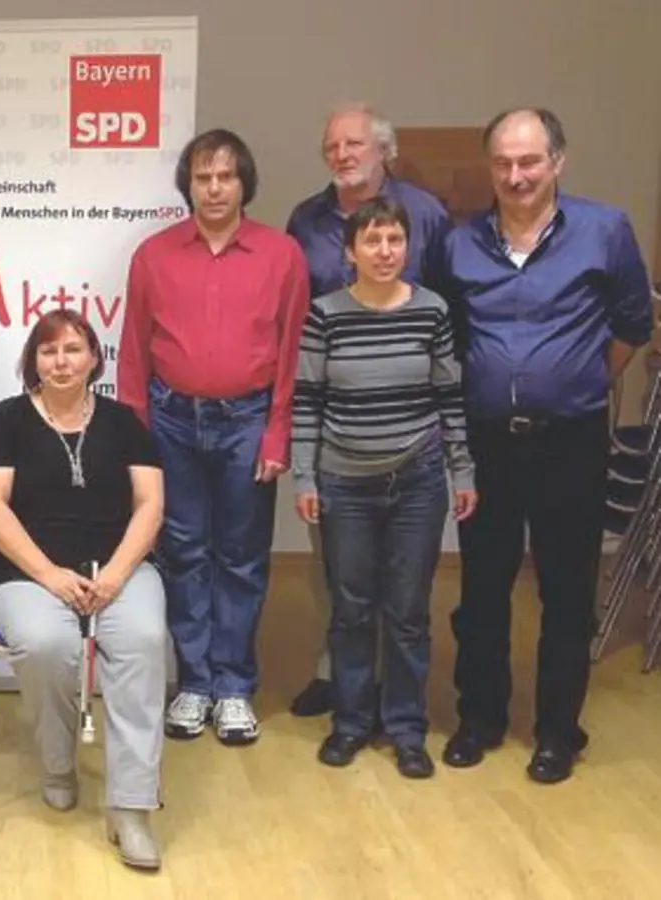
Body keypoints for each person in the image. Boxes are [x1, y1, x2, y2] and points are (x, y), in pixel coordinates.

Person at [436, 108, 654, 784]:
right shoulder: (459, 243)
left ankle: (559, 731)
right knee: (483, 590)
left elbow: (632, 325)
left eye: (529, 161)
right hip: (487, 444)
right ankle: (481, 719)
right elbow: (449, 335)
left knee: (565, 593)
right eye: (502, 162)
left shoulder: (605, 230)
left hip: (571, 444)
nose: (516, 175)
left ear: (557, 162)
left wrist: (579, 380)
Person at [117, 128, 311, 745]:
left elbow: (291, 354)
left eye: (225, 175)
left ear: (243, 182)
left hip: (248, 420)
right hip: (172, 419)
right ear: (188, 185)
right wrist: (136, 438)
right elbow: (132, 352)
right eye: (203, 176)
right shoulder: (154, 254)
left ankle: (232, 686)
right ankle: (195, 682)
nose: (215, 187)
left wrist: (277, 433)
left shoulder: (281, 255)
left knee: (241, 556)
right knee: (182, 551)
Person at [0, 310, 167, 870]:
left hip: (115, 569)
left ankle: (131, 807)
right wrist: (50, 574)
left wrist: (118, 574)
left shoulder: (124, 421)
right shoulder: (6, 420)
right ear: (33, 360)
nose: (61, 361)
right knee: (47, 644)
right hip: (22, 573)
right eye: (48, 351)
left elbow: (151, 504)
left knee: (145, 639)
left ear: (93, 359)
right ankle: (58, 763)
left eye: (73, 349)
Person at [290, 197, 476, 778]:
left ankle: (405, 727)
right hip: (344, 482)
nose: (385, 251)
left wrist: (462, 468)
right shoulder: (326, 315)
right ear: (350, 252)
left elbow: (449, 396)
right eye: (372, 241)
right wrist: (304, 475)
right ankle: (350, 722)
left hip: (417, 482)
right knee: (350, 609)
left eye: (394, 239)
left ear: (408, 246)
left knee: (408, 612)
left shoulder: (432, 312)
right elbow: (308, 401)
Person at [284, 103, 455, 719]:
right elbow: (297, 315)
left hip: (411, 427)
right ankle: (341, 681)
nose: (341, 154)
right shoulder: (305, 219)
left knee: (403, 578)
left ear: (384, 149)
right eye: (331, 145)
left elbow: (445, 312)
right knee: (336, 573)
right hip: (336, 431)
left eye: (354, 143)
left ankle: (395, 696)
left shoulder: (427, 214)